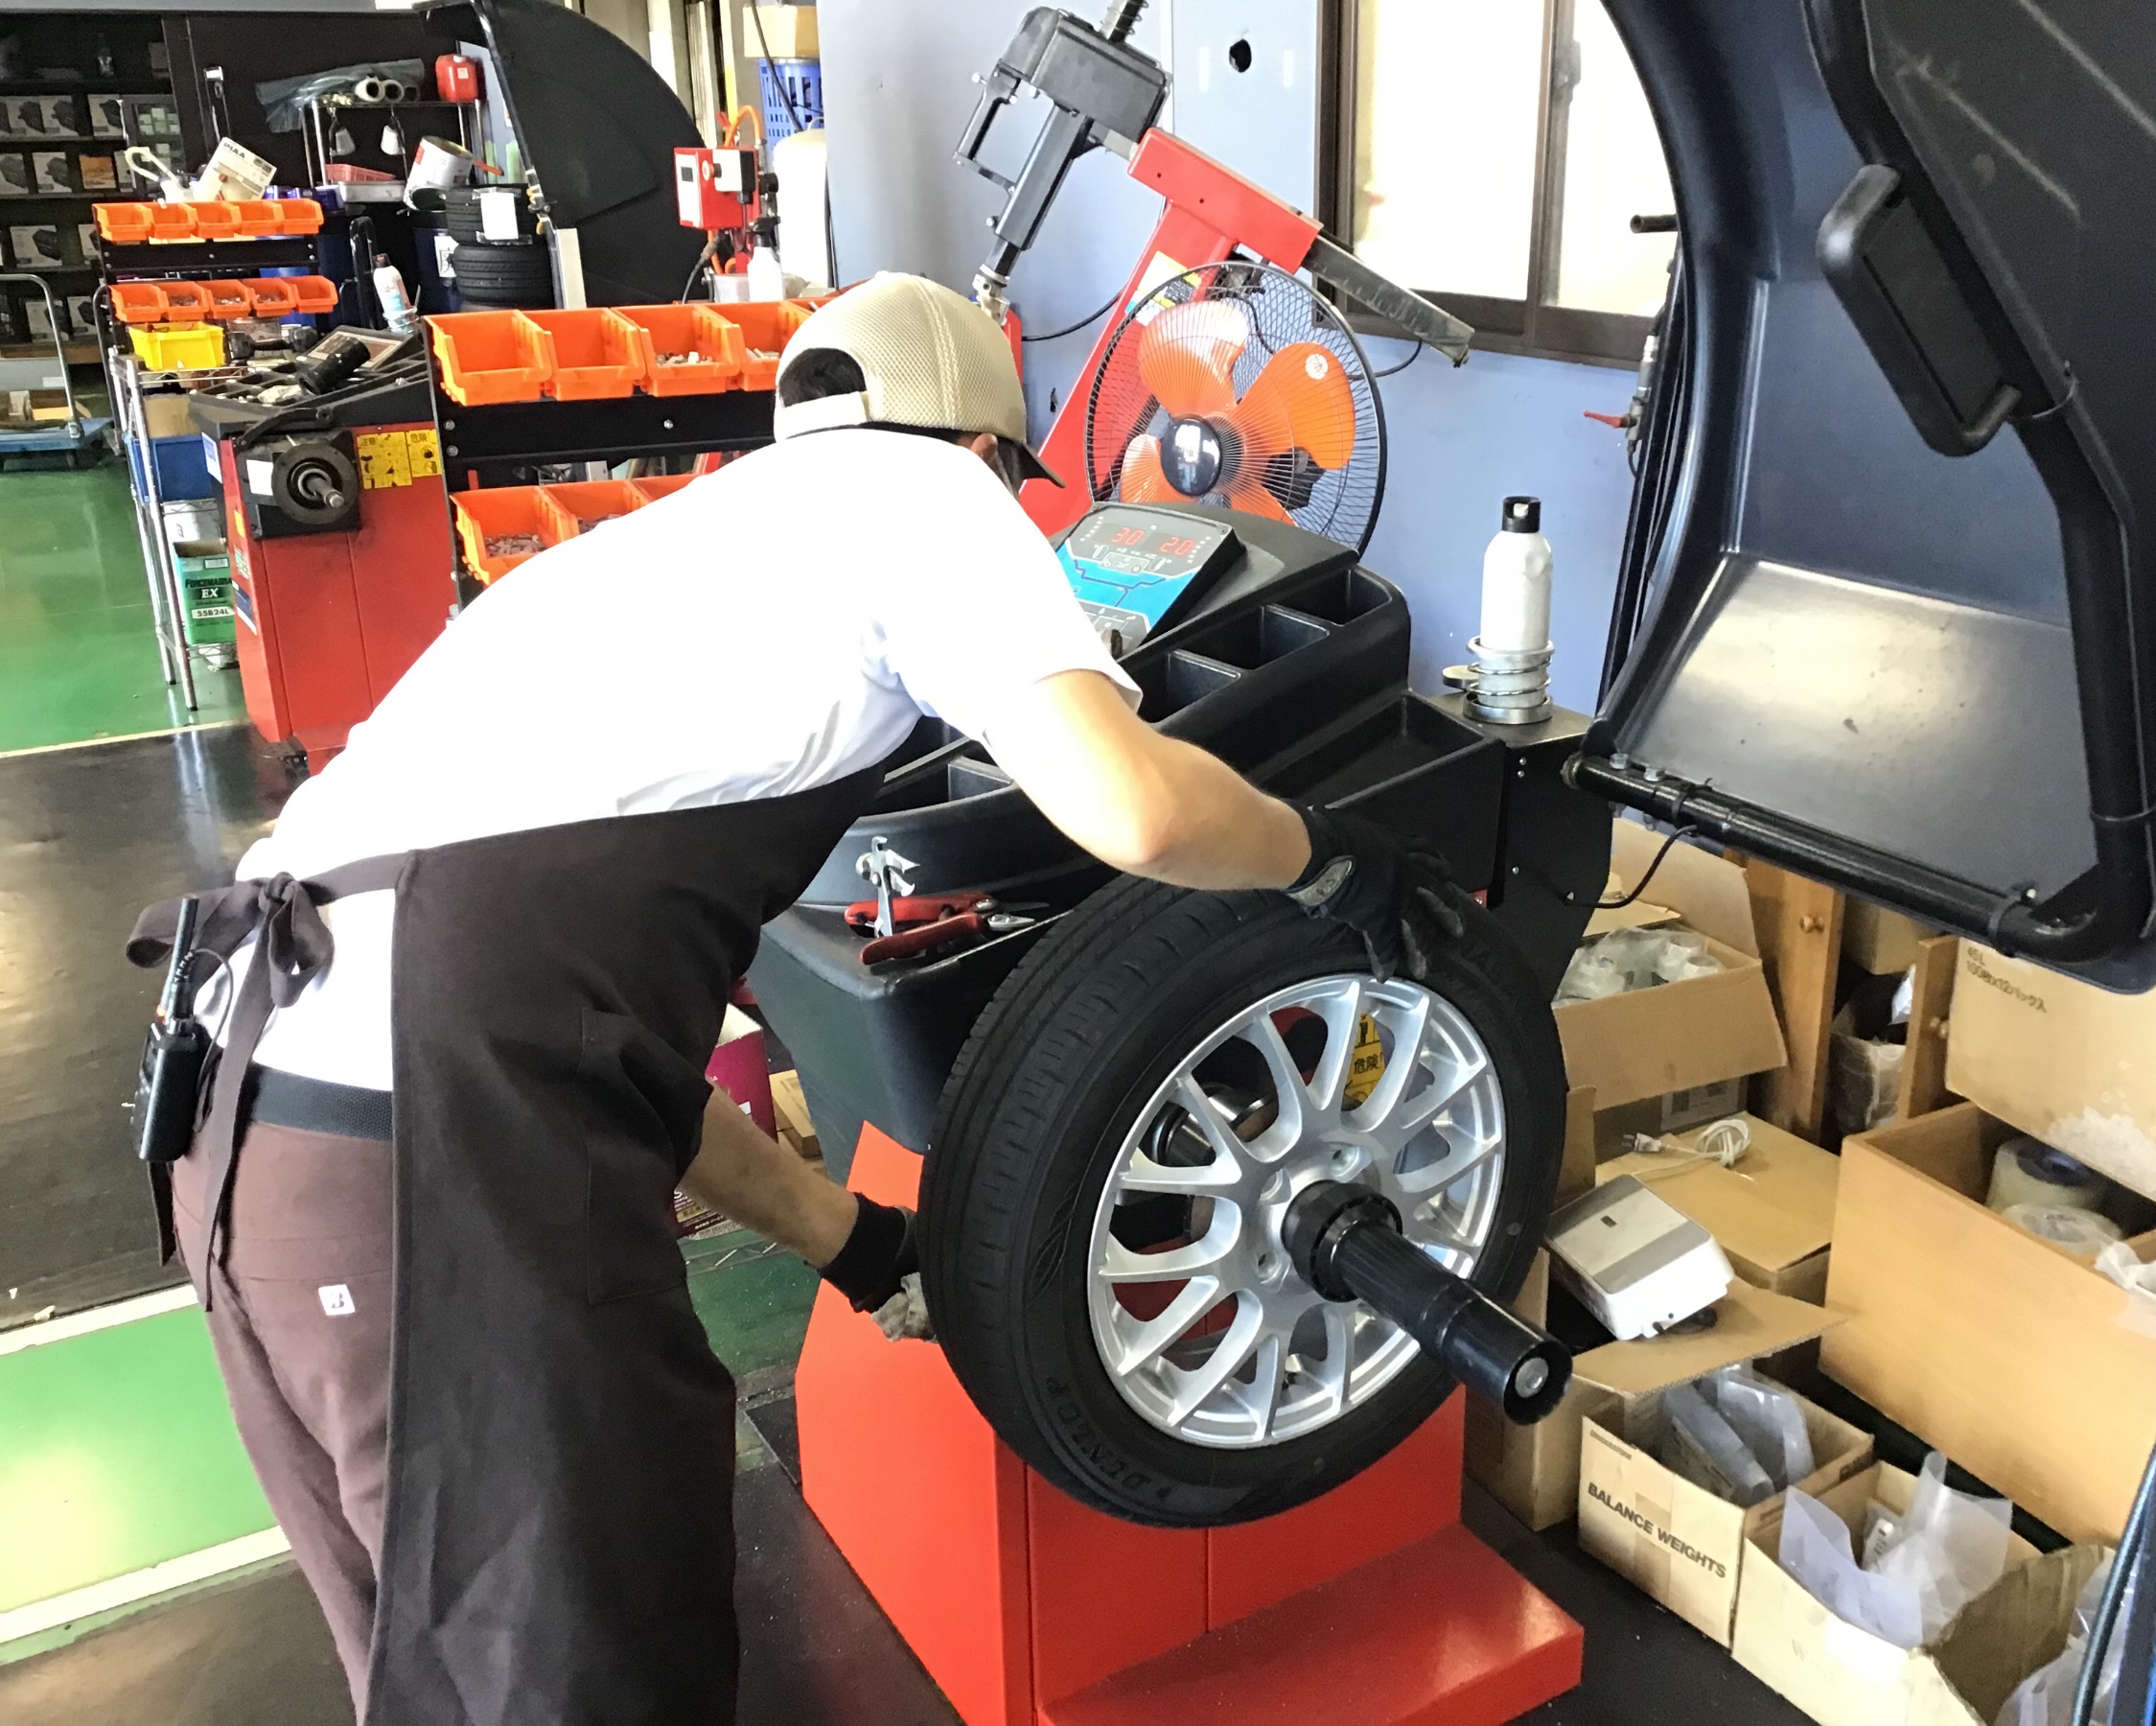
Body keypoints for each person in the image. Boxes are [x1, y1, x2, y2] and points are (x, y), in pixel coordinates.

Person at [126, 272, 1458, 1725]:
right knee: (585, 1678)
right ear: (988, 450)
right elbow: (1133, 808)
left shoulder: (659, 552)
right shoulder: (929, 495)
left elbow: (590, 1054)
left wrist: (856, 1243)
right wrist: (1330, 860)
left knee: (439, 1675)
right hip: (432, 1171)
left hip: (249, 1139)